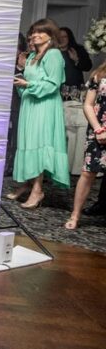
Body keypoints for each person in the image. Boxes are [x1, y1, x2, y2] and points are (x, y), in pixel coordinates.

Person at [8, 18, 70, 208]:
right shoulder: (33, 55)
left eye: (39, 32)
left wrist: (28, 84)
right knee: (28, 144)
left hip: (44, 106)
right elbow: (28, 83)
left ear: (50, 36)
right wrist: (20, 75)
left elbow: (53, 84)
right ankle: (27, 184)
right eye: (33, 31)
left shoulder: (53, 55)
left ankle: (37, 190)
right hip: (30, 104)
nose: (34, 35)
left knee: (39, 145)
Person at [64, 59, 106, 229]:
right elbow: (88, 105)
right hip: (97, 132)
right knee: (88, 173)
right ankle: (75, 215)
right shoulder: (99, 75)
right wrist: (98, 129)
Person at [5, 32, 29, 176]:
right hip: (0, 104)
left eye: (17, 47)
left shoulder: (27, 60)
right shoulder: (2, 59)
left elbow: (27, 80)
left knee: (15, 137)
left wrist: (20, 67)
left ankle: (11, 166)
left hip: (17, 104)